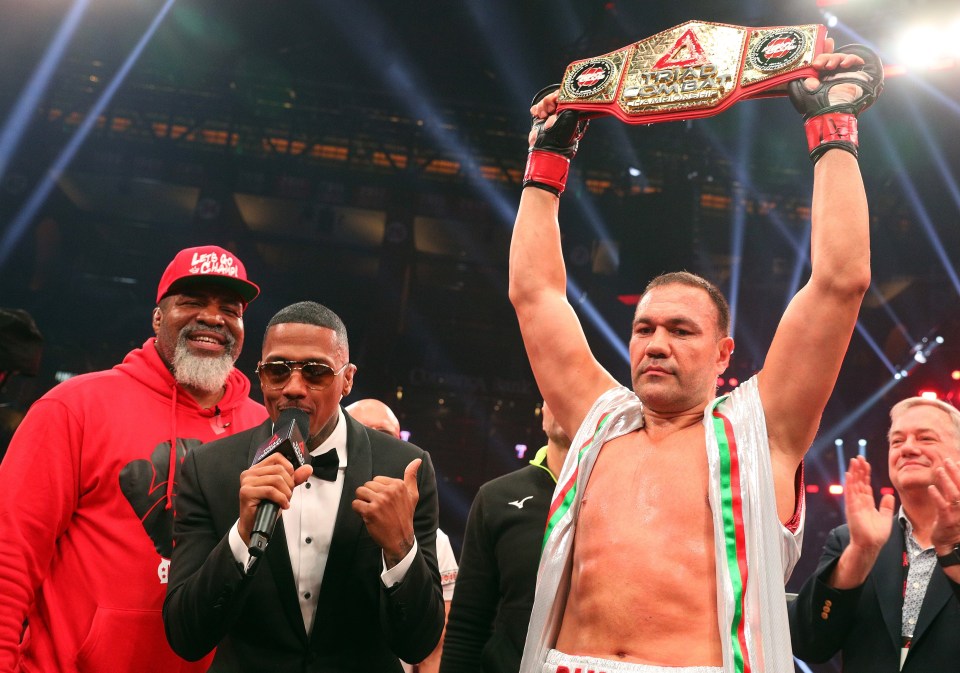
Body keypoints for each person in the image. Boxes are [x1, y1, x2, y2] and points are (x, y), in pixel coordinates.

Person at [508, 41, 882, 673]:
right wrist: (546, 160)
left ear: (722, 353)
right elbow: (534, 293)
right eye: (644, 329)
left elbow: (840, 279)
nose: (655, 343)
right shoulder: (597, 420)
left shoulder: (761, 432)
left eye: (681, 330)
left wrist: (832, 127)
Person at [0, 244, 267, 673]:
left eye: (230, 310)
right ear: (158, 317)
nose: (214, 318)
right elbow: (9, 553)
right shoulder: (76, 406)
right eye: (193, 302)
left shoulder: (265, 431)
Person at [163, 301, 445, 672]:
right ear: (261, 377)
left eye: (316, 371)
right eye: (278, 370)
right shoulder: (209, 468)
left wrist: (400, 550)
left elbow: (418, 642)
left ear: (347, 379)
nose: (294, 387)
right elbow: (187, 636)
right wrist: (241, 534)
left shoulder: (406, 468)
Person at [789, 397, 960, 672]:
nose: (908, 449)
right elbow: (808, 646)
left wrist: (953, 551)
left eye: (926, 438)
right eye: (897, 441)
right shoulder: (849, 541)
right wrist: (859, 555)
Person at [440, 401, 571, 673]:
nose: (562, 401)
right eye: (552, 395)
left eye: (573, 392)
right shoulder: (496, 498)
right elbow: (468, 623)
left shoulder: (623, 498)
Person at [345, 397, 459, 673]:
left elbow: (436, 644)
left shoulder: (436, 541)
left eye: (382, 435)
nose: (371, 444)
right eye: (361, 432)